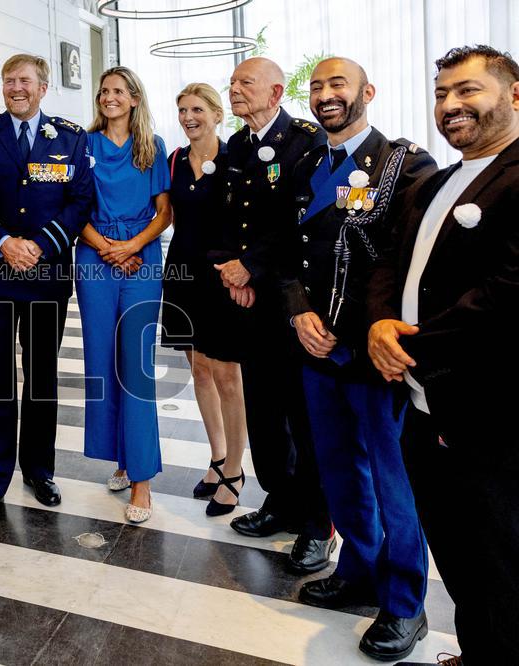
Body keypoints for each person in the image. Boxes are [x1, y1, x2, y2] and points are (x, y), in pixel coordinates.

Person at [367, 45, 519, 665]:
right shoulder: (432, 182)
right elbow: (386, 257)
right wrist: (378, 321)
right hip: (425, 403)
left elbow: (508, 293)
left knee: (502, 555)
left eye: (467, 91)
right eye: (441, 94)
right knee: (456, 548)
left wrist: (407, 344)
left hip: (491, 411)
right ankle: (481, 647)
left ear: (514, 95)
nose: (451, 105)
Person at [282, 57, 436, 661]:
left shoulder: (405, 164)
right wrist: (296, 308)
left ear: (366, 92)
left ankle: (405, 605)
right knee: (339, 472)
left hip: (374, 351)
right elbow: (284, 246)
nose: (325, 95)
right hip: (315, 345)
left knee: (393, 480)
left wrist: (373, 328)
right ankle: (360, 572)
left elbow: (405, 261)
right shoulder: (303, 162)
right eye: (317, 86)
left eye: (337, 84)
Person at [0, 53, 93, 531]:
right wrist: (3, 242)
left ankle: (38, 469)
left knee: (41, 377)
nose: (16, 88)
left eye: (25, 81)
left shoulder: (71, 138)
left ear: (43, 87)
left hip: (45, 274)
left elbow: (80, 201)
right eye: (9, 80)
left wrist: (38, 246)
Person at [216, 57, 334, 574]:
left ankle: (317, 522)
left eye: (246, 83)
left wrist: (251, 268)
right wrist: (231, 273)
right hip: (248, 299)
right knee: (263, 410)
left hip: (292, 299)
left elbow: (299, 220)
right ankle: (279, 502)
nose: (235, 90)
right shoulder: (237, 146)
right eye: (234, 82)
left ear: (275, 92)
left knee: (303, 416)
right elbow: (227, 216)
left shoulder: (305, 141)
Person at [77, 66, 170, 523]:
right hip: (94, 257)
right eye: (103, 91)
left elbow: (164, 212)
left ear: (134, 98)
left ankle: (142, 481)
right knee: (103, 361)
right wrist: (106, 247)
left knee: (135, 367)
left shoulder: (152, 148)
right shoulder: (83, 145)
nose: (108, 97)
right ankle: (120, 456)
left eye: (117, 91)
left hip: (141, 258)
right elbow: (72, 208)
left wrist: (132, 246)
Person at [160, 83, 248, 516]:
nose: (188, 116)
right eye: (182, 109)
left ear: (217, 115)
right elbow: (164, 214)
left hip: (222, 277)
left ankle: (235, 468)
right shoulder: (175, 160)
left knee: (227, 374)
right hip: (182, 274)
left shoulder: (238, 158)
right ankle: (216, 457)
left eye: (197, 109)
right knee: (197, 370)